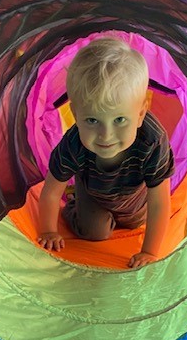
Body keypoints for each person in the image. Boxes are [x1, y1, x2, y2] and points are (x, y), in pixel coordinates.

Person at [37, 37, 175, 268]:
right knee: (94, 232)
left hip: (134, 198)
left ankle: (114, 215)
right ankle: (75, 202)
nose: (106, 135)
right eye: (92, 120)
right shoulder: (73, 143)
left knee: (136, 222)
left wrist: (150, 252)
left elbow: (160, 201)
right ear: (76, 113)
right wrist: (48, 230)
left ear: (140, 114)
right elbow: (51, 191)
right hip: (93, 192)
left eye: (120, 119)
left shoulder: (152, 141)